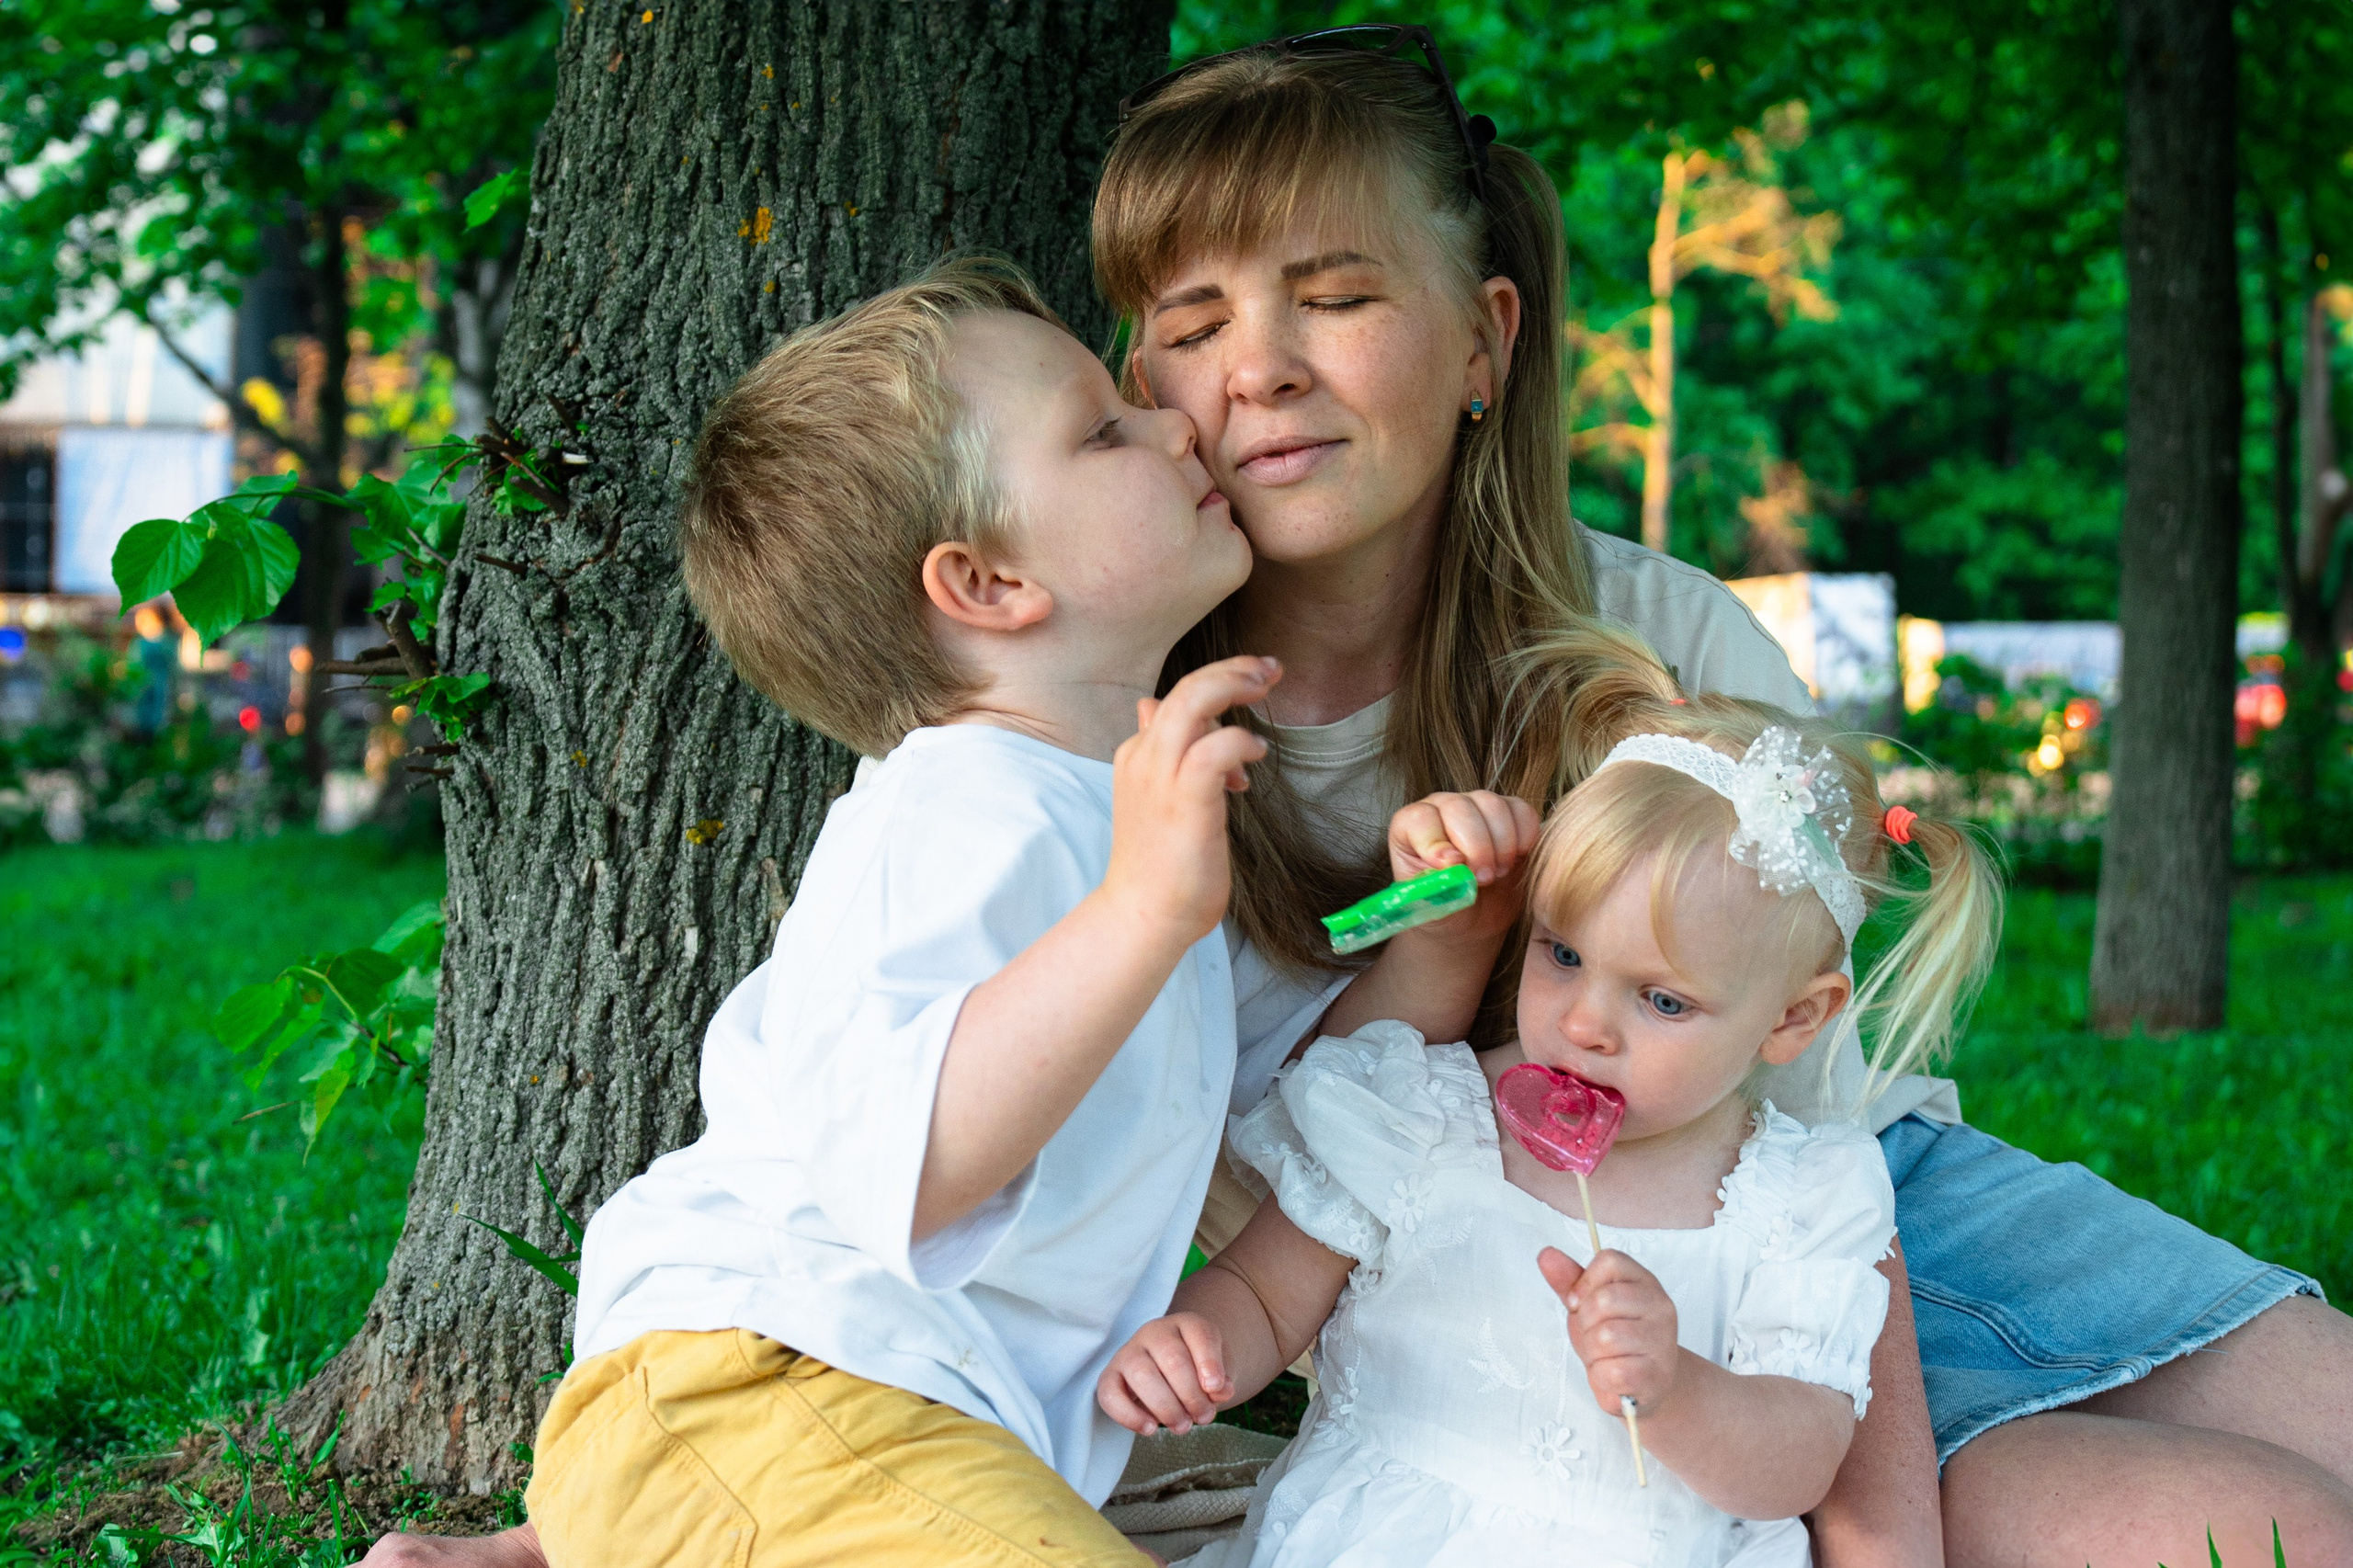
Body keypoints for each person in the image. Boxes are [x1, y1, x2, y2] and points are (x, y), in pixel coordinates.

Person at [1092, 28, 2353, 1568]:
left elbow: (1825, 1152)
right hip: (1544, 1328)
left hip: (1843, 1226)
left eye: (1338, 297)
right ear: (1141, 376)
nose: (1261, 365)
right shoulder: (1126, 733)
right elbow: (1299, 1170)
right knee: (2272, 1528)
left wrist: (1877, 1519)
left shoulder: (1661, 642)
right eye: (1191, 320)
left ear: (1489, 340)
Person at [490, 258, 1286, 1568]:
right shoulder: (958, 802)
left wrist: (1438, 929)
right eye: (1102, 428)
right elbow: (905, 1171)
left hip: (864, 1432)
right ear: (984, 585)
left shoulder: (1105, 813)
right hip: (765, 1383)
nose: (1177, 419)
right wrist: (1146, 907)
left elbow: (1272, 1075)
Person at [1100, 629, 2003, 1566]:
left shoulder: (1795, 1197)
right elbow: (1261, 1289)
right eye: (1562, 953)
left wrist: (1678, 1388)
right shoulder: (1420, 1112)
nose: (1584, 1022)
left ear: (1791, 1019)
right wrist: (1196, 1345)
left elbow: (1800, 1459)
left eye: (1661, 998)